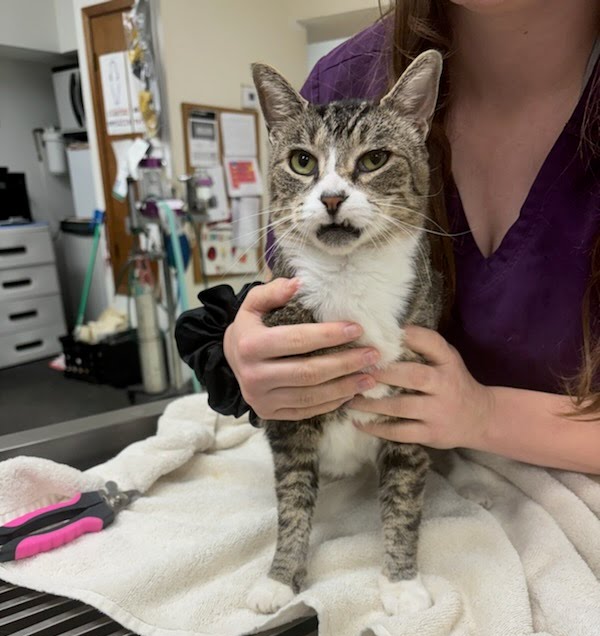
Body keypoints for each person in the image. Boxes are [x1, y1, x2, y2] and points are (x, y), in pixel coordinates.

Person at [176, 0, 600, 474]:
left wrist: (484, 415)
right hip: (374, 476)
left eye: (374, 159)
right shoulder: (344, 80)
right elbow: (286, 297)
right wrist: (256, 359)